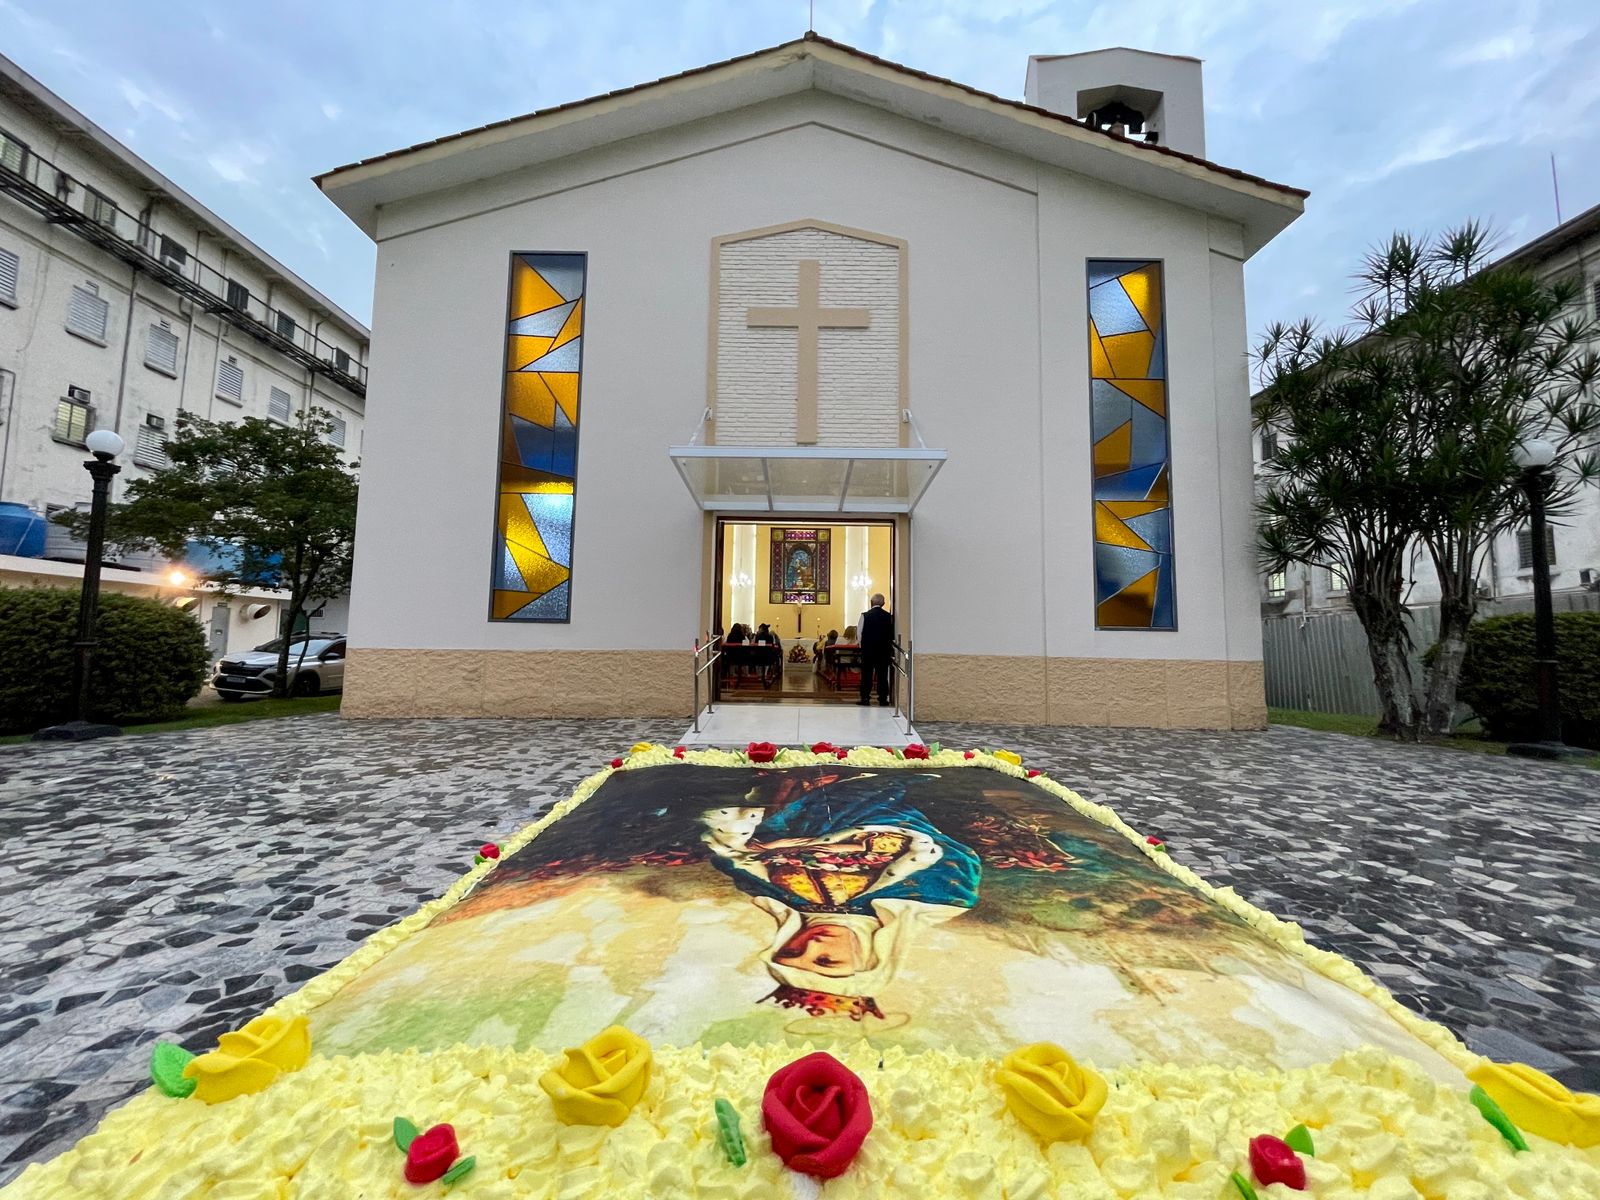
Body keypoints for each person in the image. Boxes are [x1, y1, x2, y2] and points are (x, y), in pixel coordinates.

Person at [699, 771, 980, 1021]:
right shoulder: (943, 897)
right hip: (868, 820)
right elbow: (943, 853)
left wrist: (772, 847)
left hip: (798, 819)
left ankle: (802, 785)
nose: (811, 945)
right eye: (826, 960)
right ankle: (825, 785)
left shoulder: (768, 892)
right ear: (870, 963)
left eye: (791, 952)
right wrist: (845, 845)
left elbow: (733, 855)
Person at [857, 593, 893, 706]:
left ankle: (865, 697)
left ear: (871, 602)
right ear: (883, 603)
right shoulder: (889, 616)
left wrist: (862, 647)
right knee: (882, 675)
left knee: (866, 674)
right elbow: (891, 633)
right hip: (883, 651)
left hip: (868, 650)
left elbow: (859, 633)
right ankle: (883, 698)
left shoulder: (865, 616)